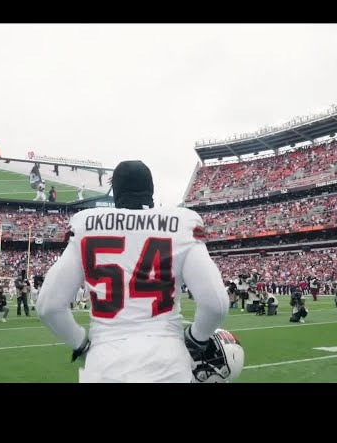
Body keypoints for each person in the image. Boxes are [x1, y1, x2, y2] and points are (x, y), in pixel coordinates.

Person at [37, 160, 230, 383]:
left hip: (105, 364)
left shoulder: (85, 225)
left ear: (115, 192)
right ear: (151, 190)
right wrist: (197, 339)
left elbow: (48, 306)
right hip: (167, 363)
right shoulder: (181, 223)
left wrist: (80, 343)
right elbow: (216, 303)